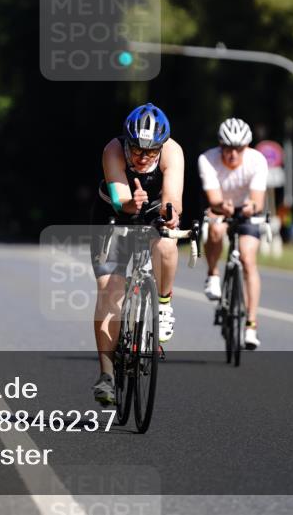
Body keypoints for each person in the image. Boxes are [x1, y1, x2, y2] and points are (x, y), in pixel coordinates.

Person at [89, 103, 184, 406]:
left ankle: (164, 304)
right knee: (109, 289)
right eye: (137, 150)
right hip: (113, 215)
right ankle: (106, 374)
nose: (143, 158)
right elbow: (121, 199)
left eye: (150, 152)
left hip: (153, 211)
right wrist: (133, 202)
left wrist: (169, 215)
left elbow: (172, 197)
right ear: (126, 143)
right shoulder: (113, 150)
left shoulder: (172, 152)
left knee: (167, 244)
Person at [198, 117, 268, 349]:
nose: (233, 155)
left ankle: (251, 325)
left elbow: (258, 201)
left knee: (248, 259)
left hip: (247, 210)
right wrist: (222, 207)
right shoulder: (207, 159)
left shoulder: (257, 160)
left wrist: (251, 208)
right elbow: (214, 199)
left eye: (238, 149)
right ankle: (213, 275)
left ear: (246, 147)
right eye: (228, 149)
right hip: (221, 207)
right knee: (216, 229)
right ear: (221, 146)